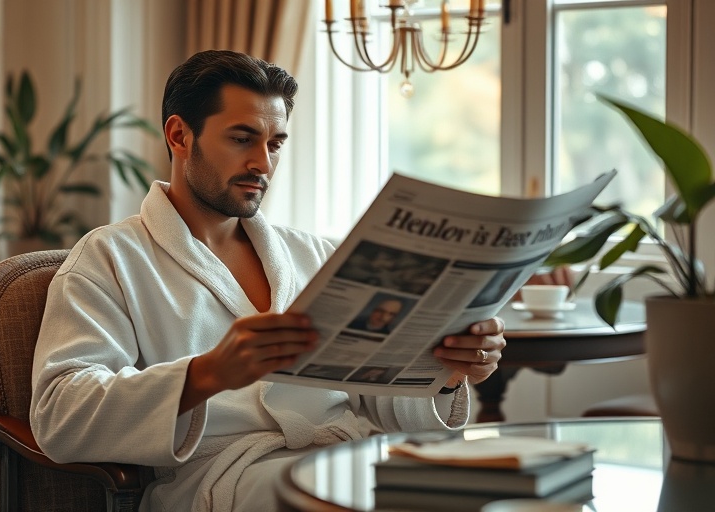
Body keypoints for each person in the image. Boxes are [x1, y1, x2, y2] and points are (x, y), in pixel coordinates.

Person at [29, 50, 506, 512]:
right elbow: (61, 413)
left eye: (275, 143)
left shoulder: (316, 255)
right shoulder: (111, 257)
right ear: (179, 135)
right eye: (241, 138)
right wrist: (206, 375)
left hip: (351, 457)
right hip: (225, 480)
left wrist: (450, 371)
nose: (263, 162)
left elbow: (380, 403)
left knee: (489, 490)